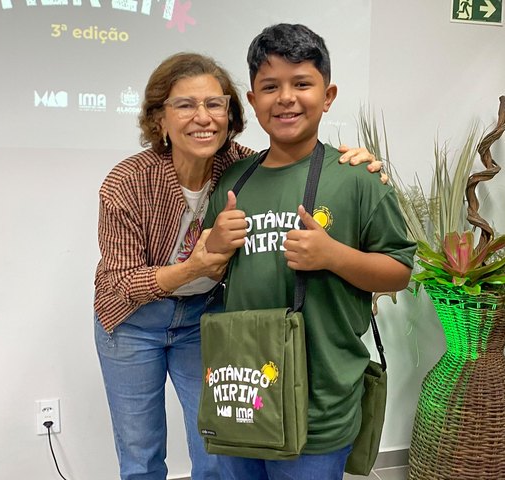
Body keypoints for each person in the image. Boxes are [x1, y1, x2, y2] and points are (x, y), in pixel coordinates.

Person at [93, 52, 384, 480]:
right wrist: (194, 267)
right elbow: (121, 281)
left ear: (231, 114)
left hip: (203, 320)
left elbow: (294, 157)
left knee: (218, 443)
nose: (203, 118)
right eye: (186, 105)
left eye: (215, 104)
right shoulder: (127, 182)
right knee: (141, 453)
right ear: (160, 120)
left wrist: (360, 163)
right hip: (133, 320)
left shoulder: (243, 166)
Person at [204, 24, 417, 479]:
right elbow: (209, 264)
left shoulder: (357, 178)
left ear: (328, 94)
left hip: (322, 403)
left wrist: (333, 256)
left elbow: (399, 271)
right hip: (243, 392)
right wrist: (214, 244)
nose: (286, 98)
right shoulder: (233, 180)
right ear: (253, 100)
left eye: (302, 83)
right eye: (270, 87)